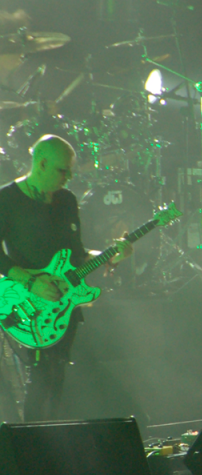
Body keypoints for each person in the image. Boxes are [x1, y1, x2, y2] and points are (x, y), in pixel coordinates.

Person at [0, 135, 131, 421]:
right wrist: (30, 282)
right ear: (42, 164)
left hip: (63, 305)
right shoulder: (6, 199)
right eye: (63, 170)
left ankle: (53, 436)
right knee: (41, 376)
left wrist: (110, 255)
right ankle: (31, 439)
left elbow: (77, 254)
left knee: (57, 375)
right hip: (26, 304)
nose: (69, 177)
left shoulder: (67, 200)